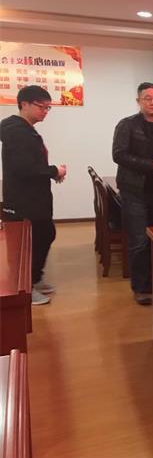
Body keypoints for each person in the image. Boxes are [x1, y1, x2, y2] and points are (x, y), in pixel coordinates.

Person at [0, 85, 67, 305]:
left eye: (48, 108)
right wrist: (54, 170)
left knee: (45, 234)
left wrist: (51, 173)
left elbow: (31, 164)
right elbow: (24, 168)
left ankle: (34, 279)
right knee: (28, 244)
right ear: (24, 104)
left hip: (34, 198)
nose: (45, 112)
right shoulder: (16, 130)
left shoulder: (25, 129)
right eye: (41, 106)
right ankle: (25, 289)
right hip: (23, 200)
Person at [112, 82, 153, 305]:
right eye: (148, 98)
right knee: (139, 240)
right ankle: (141, 287)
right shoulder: (127, 125)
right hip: (134, 190)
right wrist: (151, 165)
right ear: (139, 101)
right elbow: (118, 155)